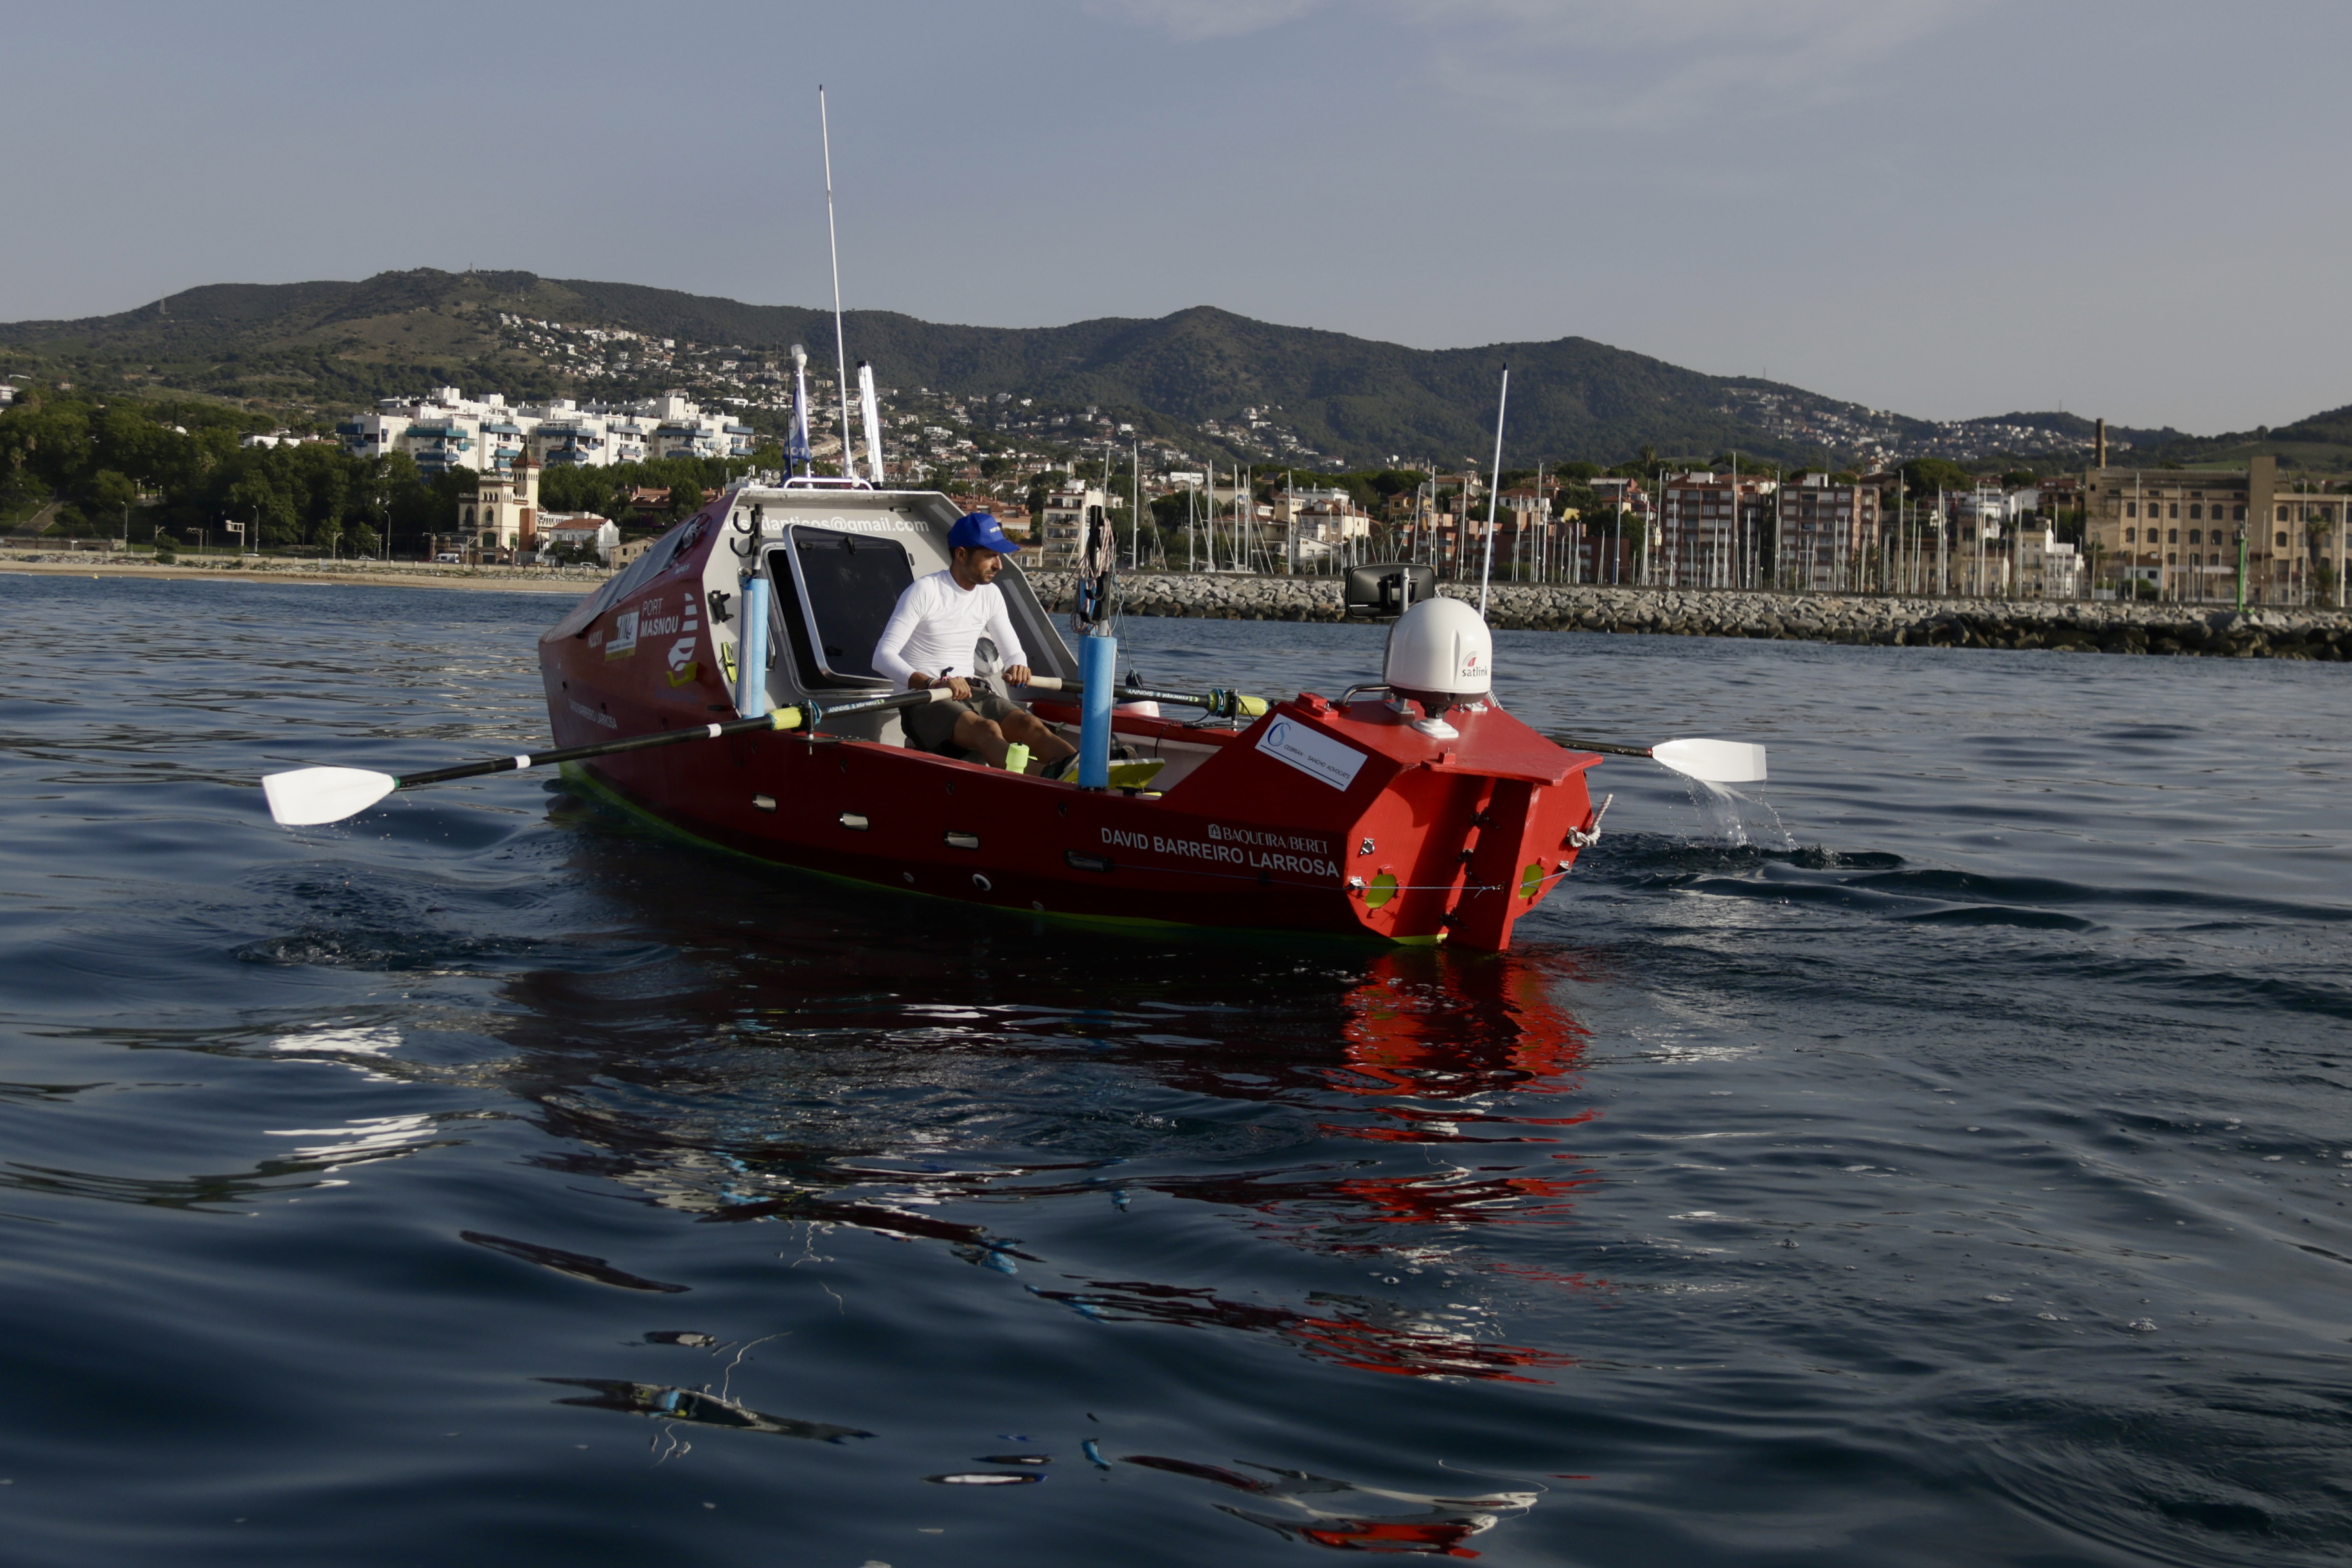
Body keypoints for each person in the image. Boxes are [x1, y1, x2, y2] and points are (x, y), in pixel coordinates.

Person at [872, 513, 1078, 772]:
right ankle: (1048, 784)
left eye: (999, 557)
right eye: (990, 556)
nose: (999, 565)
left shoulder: (990, 594)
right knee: (988, 729)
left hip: (969, 691)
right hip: (922, 699)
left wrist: (1018, 665)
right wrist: (931, 682)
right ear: (961, 555)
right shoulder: (925, 591)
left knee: (1031, 726)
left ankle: (1084, 777)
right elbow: (882, 657)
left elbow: (1013, 651)